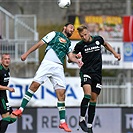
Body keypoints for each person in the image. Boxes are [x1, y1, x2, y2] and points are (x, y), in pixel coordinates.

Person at [12, 23, 83, 132]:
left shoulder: (68, 43)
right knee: (34, 85)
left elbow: (69, 58)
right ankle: (20, 109)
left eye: (73, 29)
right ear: (64, 27)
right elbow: (39, 44)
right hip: (47, 63)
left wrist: (77, 59)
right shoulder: (54, 34)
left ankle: (62, 122)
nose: (72, 30)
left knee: (61, 94)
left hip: (58, 67)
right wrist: (26, 53)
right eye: (71, 28)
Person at [71, 25, 121, 133]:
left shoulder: (98, 39)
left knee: (93, 99)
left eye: (85, 34)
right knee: (87, 95)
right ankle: (81, 119)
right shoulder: (80, 45)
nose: (84, 37)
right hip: (86, 72)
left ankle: (89, 126)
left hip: (97, 74)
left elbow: (106, 44)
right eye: (81, 36)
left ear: (88, 32)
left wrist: (115, 53)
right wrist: (76, 58)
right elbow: (71, 58)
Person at [0, 53, 17, 133]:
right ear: (1, 60)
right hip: (0, 96)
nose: (7, 60)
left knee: (13, 117)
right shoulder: (0, 70)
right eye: (5, 59)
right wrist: (8, 88)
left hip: (4, 95)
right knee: (6, 117)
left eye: (8, 59)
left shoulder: (7, 70)